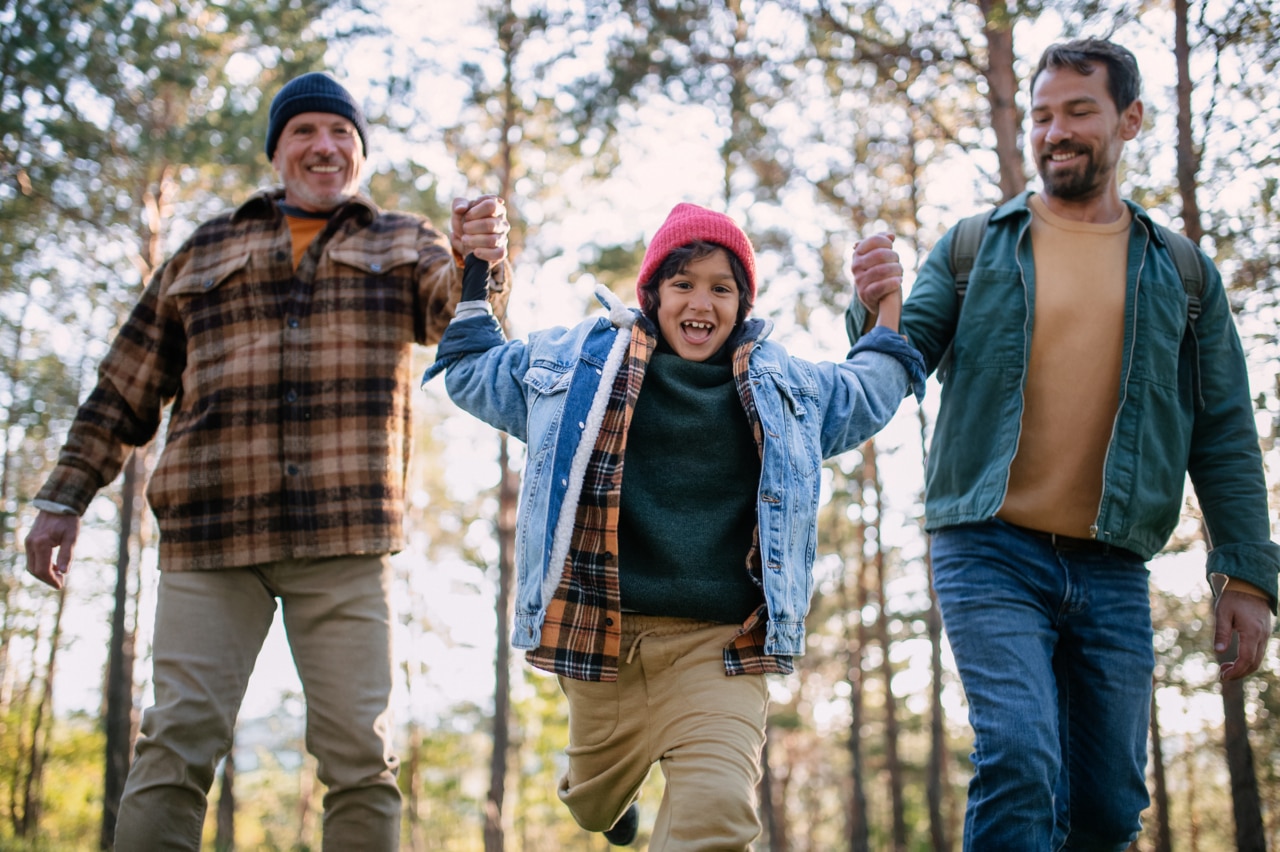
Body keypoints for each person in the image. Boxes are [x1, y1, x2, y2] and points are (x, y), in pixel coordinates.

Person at [23, 71, 511, 851]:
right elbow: (124, 387)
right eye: (305, 132)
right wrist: (63, 499)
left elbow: (458, 316)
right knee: (176, 744)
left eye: (341, 133)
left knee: (361, 758)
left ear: (359, 151)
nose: (325, 146)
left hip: (344, 538)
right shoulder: (205, 249)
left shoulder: (402, 240)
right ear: (277, 151)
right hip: (213, 538)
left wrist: (477, 257)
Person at [848, 38, 1278, 852]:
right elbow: (901, 358)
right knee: (1018, 756)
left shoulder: (1181, 273)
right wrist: (876, 306)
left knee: (1109, 806)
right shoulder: (978, 245)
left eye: (1080, 111)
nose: (1055, 131)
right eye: (1043, 115)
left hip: (1113, 562)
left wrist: (1246, 573)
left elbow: (1223, 430)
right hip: (987, 547)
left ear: (1130, 120)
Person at [425, 202, 925, 848]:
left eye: (722, 288)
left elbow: (868, 387)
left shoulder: (783, 388)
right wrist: (478, 272)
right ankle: (605, 799)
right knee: (592, 804)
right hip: (604, 644)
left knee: (717, 814)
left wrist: (885, 304)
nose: (701, 303)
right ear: (653, 293)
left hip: (720, 652)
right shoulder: (582, 369)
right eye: (683, 284)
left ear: (742, 304)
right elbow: (471, 369)